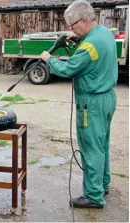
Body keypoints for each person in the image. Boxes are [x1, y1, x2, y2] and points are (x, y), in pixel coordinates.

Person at [41, 0, 117, 208]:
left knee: (91, 147)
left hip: (91, 103)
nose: (70, 29)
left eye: (72, 25)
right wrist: (79, 38)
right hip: (107, 97)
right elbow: (92, 54)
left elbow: (69, 69)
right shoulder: (104, 34)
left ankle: (93, 196)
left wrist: (49, 59)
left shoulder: (90, 45)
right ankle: (102, 183)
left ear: (84, 20)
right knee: (101, 144)